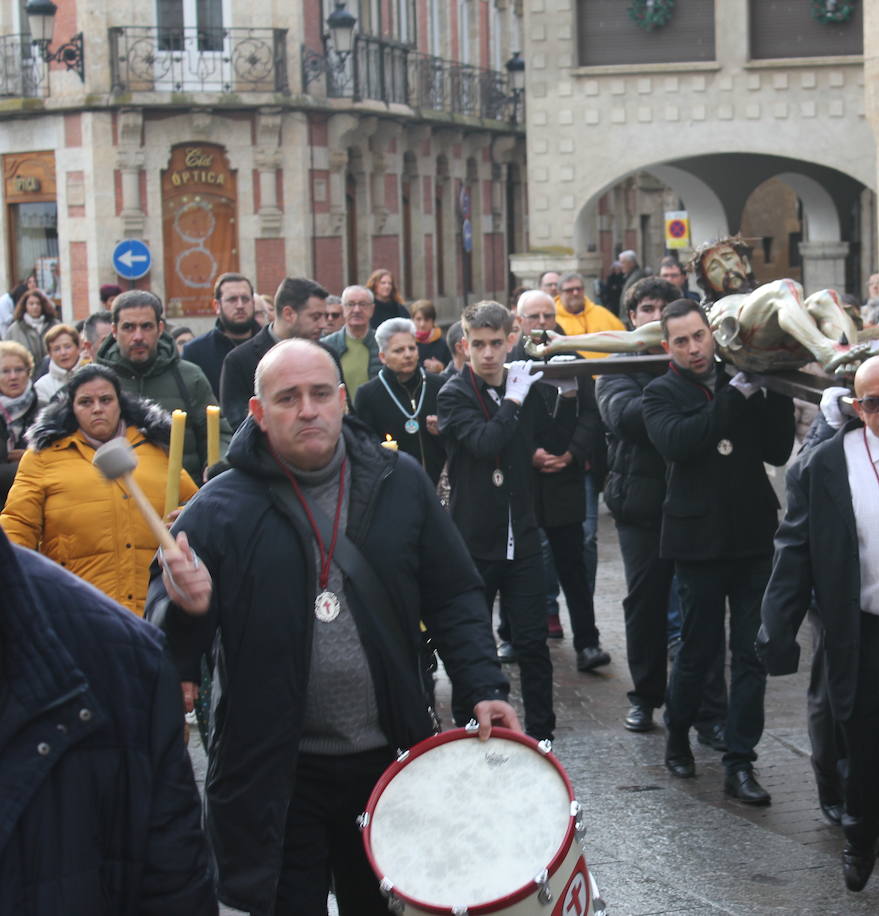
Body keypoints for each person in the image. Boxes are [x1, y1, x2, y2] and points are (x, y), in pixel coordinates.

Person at [148, 338, 519, 915]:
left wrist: (483, 687)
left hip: (389, 762)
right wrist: (186, 607)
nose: (307, 410)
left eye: (321, 394)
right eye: (288, 397)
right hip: (275, 772)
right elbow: (169, 637)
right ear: (258, 412)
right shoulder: (220, 506)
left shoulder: (400, 483)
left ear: (342, 400)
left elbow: (454, 595)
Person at [759, 355, 879, 911]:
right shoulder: (826, 463)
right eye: (870, 402)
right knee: (868, 756)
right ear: (853, 405)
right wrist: (777, 630)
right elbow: (795, 551)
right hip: (863, 634)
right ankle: (860, 830)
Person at [0, 532, 216, 913]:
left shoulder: (132, 658)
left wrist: (179, 617)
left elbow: (173, 883)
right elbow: (17, 528)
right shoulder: (40, 470)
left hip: (103, 660)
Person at [643, 298, 795, 804]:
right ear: (668, 347)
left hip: (751, 537)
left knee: (751, 654)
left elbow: (775, 449)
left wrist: (772, 391)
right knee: (697, 650)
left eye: (699, 337)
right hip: (698, 544)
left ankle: (740, 761)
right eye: (681, 341)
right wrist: (735, 393)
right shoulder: (660, 393)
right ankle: (679, 734)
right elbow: (684, 442)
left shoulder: (741, 379)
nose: (693, 349)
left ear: (713, 335)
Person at [597, 278, 726, 742]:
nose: (654, 316)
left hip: (697, 502)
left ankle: (710, 710)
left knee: (705, 608)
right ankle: (646, 696)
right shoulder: (618, 365)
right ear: (632, 317)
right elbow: (624, 417)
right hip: (642, 502)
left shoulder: (700, 362)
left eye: (663, 308)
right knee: (646, 604)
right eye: (646, 308)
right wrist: (671, 394)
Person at [436, 301, 560, 742]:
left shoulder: (520, 382)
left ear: (510, 340)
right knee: (474, 642)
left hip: (522, 534)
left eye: (496, 344)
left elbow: (549, 435)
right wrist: (513, 400)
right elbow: (486, 442)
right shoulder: (453, 394)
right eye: (478, 345)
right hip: (474, 538)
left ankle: (543, 736)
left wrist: (554, 391)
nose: (488, 354)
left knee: (532, 642)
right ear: (465, 345)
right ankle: (471, 727)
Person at [2, 364, 198, 615]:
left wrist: (182, 517)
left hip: (153, 608)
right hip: (77, 610)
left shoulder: (156, 450)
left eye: (106, 399)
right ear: (72, 408)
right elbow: (18, 525)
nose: (97, 408)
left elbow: (195, 507)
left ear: (120, 403)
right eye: (86, 402)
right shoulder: (43, 458)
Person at [512, 291, 611, 670]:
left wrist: (571, 453)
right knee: (522, 563)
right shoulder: (510, 362)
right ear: (519, 320)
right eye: (532, 315)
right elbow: (510, 415)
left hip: (566, 475)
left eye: (547, 316)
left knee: (574, 564)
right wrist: (531, 452)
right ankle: (517, 637)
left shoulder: (574, 359)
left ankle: (588, 642)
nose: (540, 323)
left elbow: (591, 413)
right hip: (526, 478)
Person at [96, 290, 221, 482]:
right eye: (128, 327)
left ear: (160, 328)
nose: (138, 336)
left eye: (146, 327)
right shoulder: (94, 381)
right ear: (114, 331)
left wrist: (214, 463)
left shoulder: (189, 376)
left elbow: (218, 432)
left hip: (183, 498)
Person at [220, 276, 331, 434]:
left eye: (325, 316)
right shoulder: (239, 360)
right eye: (315, 317)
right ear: (288, 314)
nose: (323, 325)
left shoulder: (327, 355)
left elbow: (345, 412)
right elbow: (237, 425)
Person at [354, 317, 445, 484]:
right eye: (399, 350)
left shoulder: (439, 385)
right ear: (382, 356)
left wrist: (444, 430)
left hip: (438, 484)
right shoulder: (367, 395)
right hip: (395, 485)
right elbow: (363, 449)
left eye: (412, 348)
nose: (408, 355)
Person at [182, 272, 261, 398]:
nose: (240, 305)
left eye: (245, 299)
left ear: (253, 302)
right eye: (232, 299)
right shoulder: (195, 352)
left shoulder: (271, 346)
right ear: (217, 306)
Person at [322, 285, 383, 399]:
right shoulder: (326, 346)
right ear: (342, 309)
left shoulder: (384, 343)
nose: (357, 310)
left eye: (363, 304)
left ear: (372, 309)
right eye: (350, 304)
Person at [0, 340, 41, 501]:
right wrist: (33, 463)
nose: (13, 377)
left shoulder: (46, 409)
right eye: (5, 371)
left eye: (19, 370)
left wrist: (26, 456)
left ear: (28, 372)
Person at [555, 271, 625, 356]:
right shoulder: (551, 319)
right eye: (569, 290)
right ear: (559, 292)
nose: (575, 293)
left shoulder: (602, 313)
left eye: (579, 289)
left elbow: (625, 341)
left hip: (606, 367)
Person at [5, 288, 58, 372]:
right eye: (31, 304)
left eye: (38, 303)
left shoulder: (55, 325)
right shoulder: (14, 329)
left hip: (52, 373)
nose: (35, 307)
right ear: (25, 306)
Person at [33, 322, 82, 406]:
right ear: (49, 353)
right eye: (56, 349)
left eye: (67, 347)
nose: (63, 353)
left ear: (78, 348)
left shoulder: (94, 376)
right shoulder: (41, 386)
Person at [410, 299, 450, 372]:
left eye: (426, 320)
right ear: (412, 320)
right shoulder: (407, 343)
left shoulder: (443, 345)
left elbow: (452, 371)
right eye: (418, 319)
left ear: (433, 321)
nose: (422, 324)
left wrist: (441, 368)